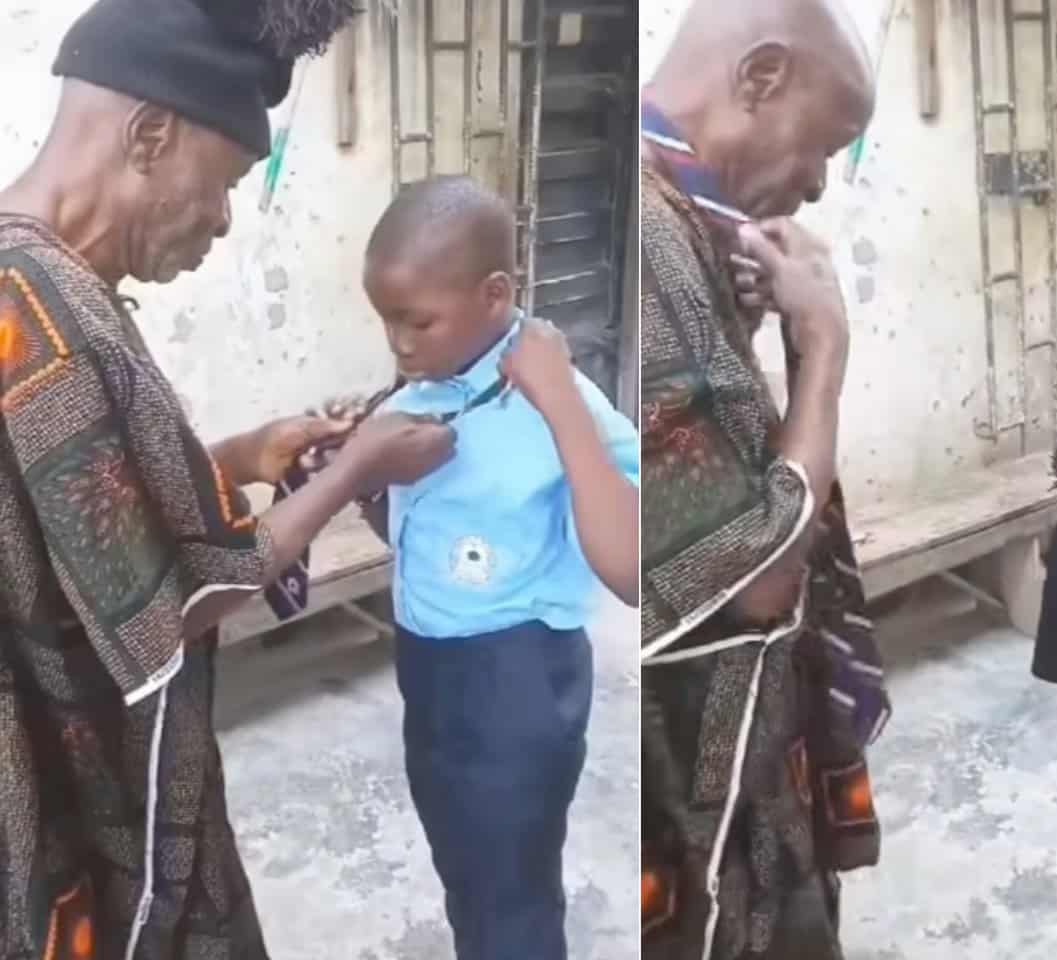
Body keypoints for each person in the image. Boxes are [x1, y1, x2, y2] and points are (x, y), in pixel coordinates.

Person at [0, 0, 455, 956]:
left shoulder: (30, 283)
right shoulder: (46, 314)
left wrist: (246, 456)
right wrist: (357, 470)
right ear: (149, 133)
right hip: (82, 811)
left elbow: (74, 534)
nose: (220, 218)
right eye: (228, 180)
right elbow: (165, 610)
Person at [638, 2, 891, 958]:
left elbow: (709, 452)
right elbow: (755, 578)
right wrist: (822, 347)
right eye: (823, 145)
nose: (821, 184)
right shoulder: (656, 242)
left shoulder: (679, 220)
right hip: (702, 771)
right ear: (759, 77)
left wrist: (744, 329)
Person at [331, 175, 638, 959]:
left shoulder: (560, 400)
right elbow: (410, 535)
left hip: (517, 685)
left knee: (513, 896)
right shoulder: (423, 391)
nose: (400, 343)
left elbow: (637, 567)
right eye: (386, 322)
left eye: (417, 321)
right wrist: (362, 470)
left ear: (495, 295)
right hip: (431, 672)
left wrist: (561, 401)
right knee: (469, 869)